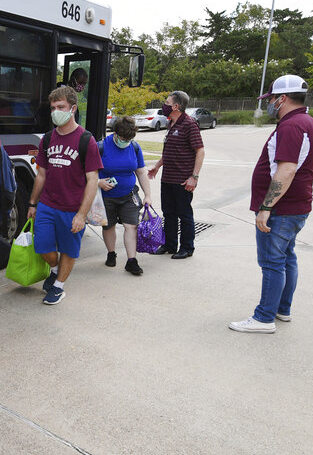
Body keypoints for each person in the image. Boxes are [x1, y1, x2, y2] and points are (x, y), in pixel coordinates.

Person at [229, 75, 313, 334]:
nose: (269, 103)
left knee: (272, 262)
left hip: (282, 209)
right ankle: (282, 308)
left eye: (271, 98)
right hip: (296, 206)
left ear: (282, 98)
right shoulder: (308, 122)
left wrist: (266, 207)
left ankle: (263, 318)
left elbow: (287, 169)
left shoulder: (292, 126)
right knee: (286, 258)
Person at [26, 85, 102, 305]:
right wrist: (32, 202)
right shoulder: (47, 139)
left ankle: (58, 286)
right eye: (52, 108)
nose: (55, 112)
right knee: (42, 246)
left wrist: (81, 214)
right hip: (48, 205)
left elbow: (92, 181)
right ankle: (55, 269)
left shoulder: (86, 140)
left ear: (73, 109)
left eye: (60, 107)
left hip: (72, 208)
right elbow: (41, 175)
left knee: (69, 249)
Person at [147, 91, 204, 259]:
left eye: (167, 102)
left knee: (184, 214)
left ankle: (187, 248)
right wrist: (157, 167)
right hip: (168, 178)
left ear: (176, 106)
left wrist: (194, 177)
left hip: (182, 180)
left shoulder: (189, 124)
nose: (164, 105)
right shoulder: (171, 124)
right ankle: (170, 245)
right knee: (168, 213)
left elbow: (200, 151)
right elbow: (170, 151)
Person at [98, 115, 152, 275]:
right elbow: (88, 171)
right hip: (106, 196)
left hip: (128, 194)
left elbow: (141, 172)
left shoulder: (134, 147)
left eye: (128, 139)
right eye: (122, 138)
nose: (125, 141)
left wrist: (147, 194)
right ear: (115, 133)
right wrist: (99, 182)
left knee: (132, 226)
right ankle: (111, 253)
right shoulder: (101, 146)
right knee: (108, 226)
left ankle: (131, 260)